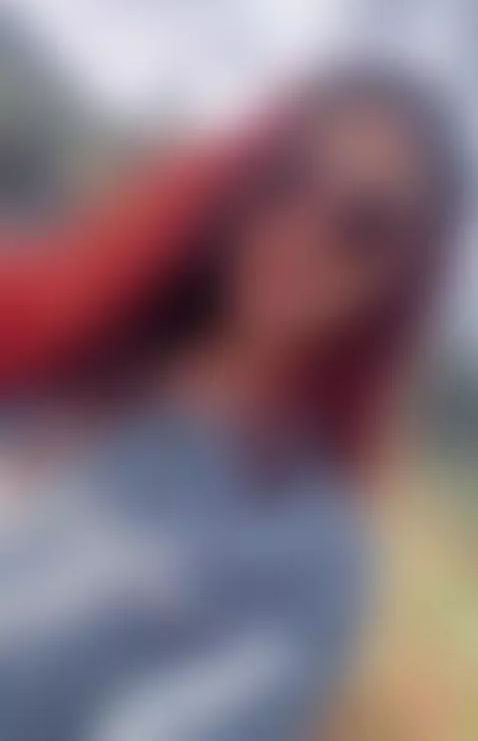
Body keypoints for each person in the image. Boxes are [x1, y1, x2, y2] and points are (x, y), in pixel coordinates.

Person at [0, 66, 464, 741]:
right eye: (288, 179)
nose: (302, 231)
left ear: (396, 285)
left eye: (361, 227)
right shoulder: (59, 334)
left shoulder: (303, 559)